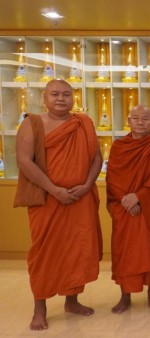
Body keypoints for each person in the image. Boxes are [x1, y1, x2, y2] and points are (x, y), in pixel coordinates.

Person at [15, 79, 103, 330]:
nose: (60, 99)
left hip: (79, 198)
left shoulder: (83, 122)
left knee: (77, 250)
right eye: (54, 94)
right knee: (45, 252)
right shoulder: (32, 123)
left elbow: (97, 157)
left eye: (66, 94)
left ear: (73, 97)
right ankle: (39, 307)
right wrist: (54, 190)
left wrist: (86, 185)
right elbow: (24, 161)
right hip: (47, 200)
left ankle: (72, 300)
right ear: (44, 98)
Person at [106, 105, 150, 314]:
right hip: (124, 208)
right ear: (128, 121)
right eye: (135, 118)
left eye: (146, 118)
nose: (140, 122)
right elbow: (112, 179)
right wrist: (126, 200)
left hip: (149, 208)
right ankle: (124, 296)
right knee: (124, 251)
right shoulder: (118, 147)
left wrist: (139, 197)